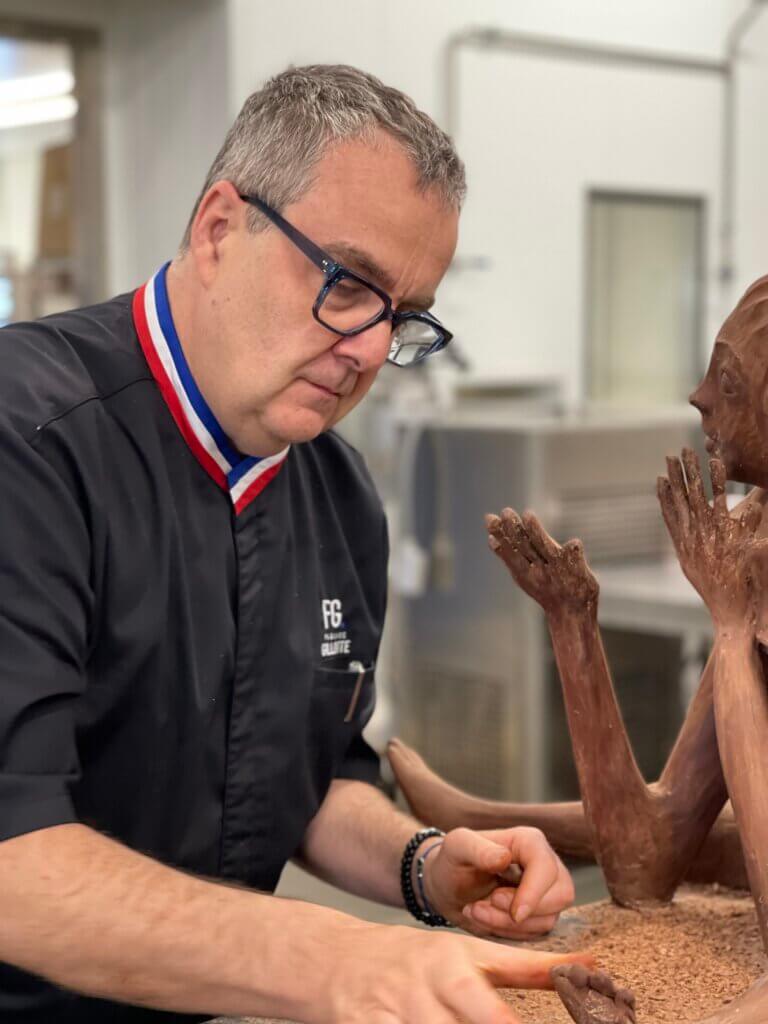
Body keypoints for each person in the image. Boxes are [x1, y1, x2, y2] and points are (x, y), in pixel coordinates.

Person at [0, 65, 586, 1023]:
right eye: (347, 284)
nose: (366, 350)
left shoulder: (339, 493)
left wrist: (426, 864)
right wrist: (329, 958)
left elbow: (302, 777)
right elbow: (12, 862)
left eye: (401, 316)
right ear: (220, 229)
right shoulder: (29, 437)